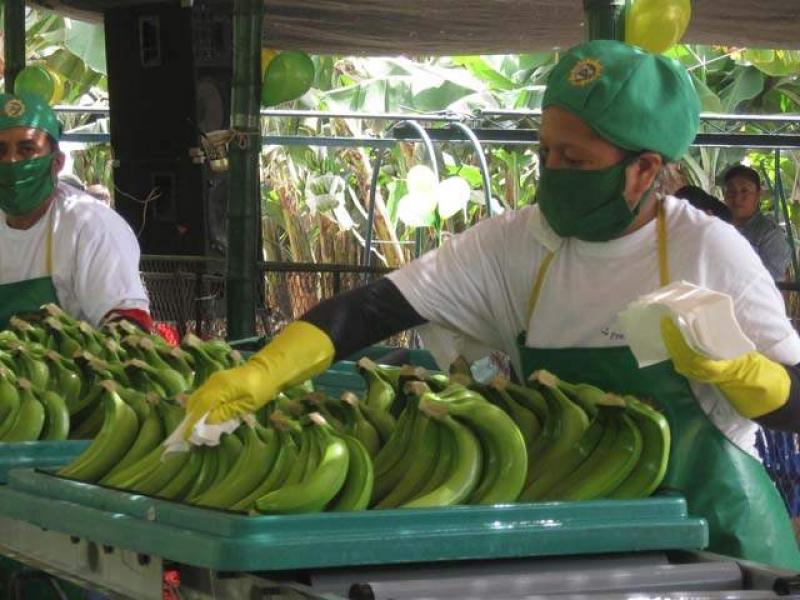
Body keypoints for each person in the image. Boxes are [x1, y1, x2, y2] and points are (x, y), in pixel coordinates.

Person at [185, 41, 800, 569]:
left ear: (644, 171)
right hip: (591, 545)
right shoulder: (517, 242)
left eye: (576, 160)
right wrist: (261, 372)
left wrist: (754, 379)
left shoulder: (707, 248)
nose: (553, 172)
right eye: (546, 154)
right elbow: (375, 309)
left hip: (724, 549)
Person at [0, 92, 151, 330]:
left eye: (26, 150)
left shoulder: (91, 225)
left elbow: (128, 324)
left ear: (57, 162)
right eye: (1, 151)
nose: (11, 162)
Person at [723, 165, 791, 281]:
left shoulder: (770, 234)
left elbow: (771, 282)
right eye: (731, 191)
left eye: (745, 191)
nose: (737, 197)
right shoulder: (717, 226)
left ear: (758, 194)